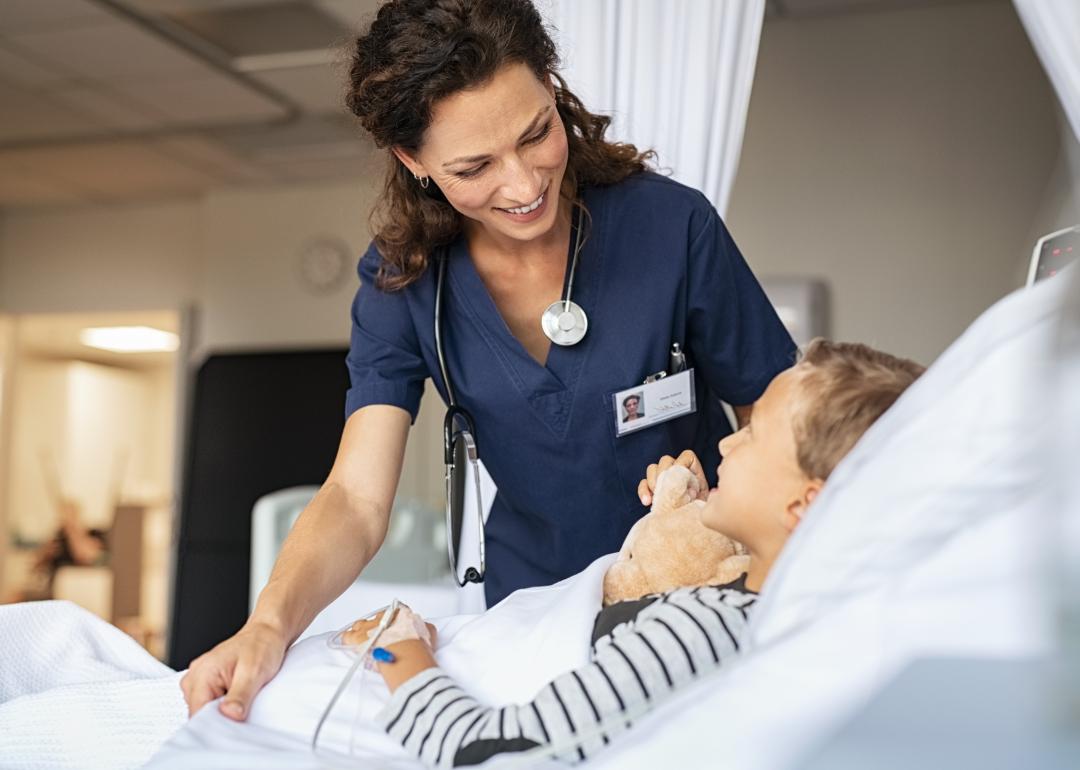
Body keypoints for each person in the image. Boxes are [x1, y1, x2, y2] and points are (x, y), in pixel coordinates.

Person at [181, 0, 795, 721]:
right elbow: (355, 497)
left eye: (537, 132)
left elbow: (779, 415)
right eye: (474, 166)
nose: (524, 183)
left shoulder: (670, 227)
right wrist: (269, 625)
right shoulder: (403, 282)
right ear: (415, 162)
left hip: (697, 589)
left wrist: (789, 571)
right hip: (533, 612)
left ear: (550, 82)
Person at [348, 340, 925, 768]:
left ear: (804, 506)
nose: (725, 441)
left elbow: (491, 753)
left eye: (752, 436)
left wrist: (394, 649)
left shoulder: (707, 629)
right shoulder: (748, 606)